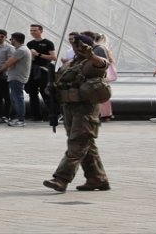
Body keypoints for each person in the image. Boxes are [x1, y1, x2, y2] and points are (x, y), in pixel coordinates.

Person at [43, 33, 110, 193]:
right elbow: (59, 82)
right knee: (86, 145)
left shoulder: (91, 62)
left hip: (85, 110)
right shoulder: (70, 64)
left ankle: (61, 179)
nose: (76, 49)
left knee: (77, 144)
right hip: (69, 108)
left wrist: (91, 55)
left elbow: (102, 65)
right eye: (74, 46)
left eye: (80, 46)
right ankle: (97, 179)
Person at [25, 24, 56, 122]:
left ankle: (54, 114)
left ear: (41, 31)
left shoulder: (48, 43)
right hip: (33, 70)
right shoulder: (29, 44)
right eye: (31, 31)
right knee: (32, 93)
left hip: (44, 70)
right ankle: (36, 115)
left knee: (45, 92)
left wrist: (38, 54)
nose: (32, 32)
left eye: (35, 30)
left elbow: (53, 57)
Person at [0, 32, 32, 127]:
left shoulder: (21, 50)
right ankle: (18, 118)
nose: (10, 41)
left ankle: (20, 119)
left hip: (17, 77)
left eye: (11, 39)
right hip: (17, 77)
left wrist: (4, 64)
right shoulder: (22, 49)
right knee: (16, 98)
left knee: (18, 99)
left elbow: (10, 63)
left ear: (15, 39)